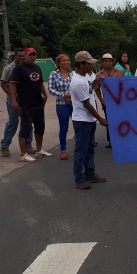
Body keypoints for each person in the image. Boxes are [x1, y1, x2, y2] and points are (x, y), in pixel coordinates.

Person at [70, 51, 109, 189]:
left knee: (90, 147)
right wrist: (101, 119)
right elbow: (86, 104)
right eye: (89, 64)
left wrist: (96, 81)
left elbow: (90, 91)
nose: (91, 67)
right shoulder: (78, 82)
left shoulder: (85, 77)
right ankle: (79, 178)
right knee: (81, 150)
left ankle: (90, 173)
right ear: (81, 64)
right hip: (82, 119)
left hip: (89, 119)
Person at [9, 47, 50, 162]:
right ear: (25, 56)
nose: (32, 57)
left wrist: (45, 95)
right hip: (26, 104)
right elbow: (12, 85)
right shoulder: (19, 68)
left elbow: (40, 83)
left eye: (34, 55)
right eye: (30, 55)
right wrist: (13, 101)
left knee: (40, 127)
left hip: (38, 103)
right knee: (25, 129)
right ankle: (23, 154)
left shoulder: (37, 67)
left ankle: (39, 149)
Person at [0, 48, 33, 157]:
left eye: (24, 56)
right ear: (15, 57)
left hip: (26, 99)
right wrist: (13, 96)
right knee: (13, 123)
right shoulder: (9, 68)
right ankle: (5, 145)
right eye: (20, 56)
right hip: (14, 100)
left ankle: (28, 144)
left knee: (28, 123)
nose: (22, 58)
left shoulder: (28, 67)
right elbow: (3, 84)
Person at [93, 53, 125, 148]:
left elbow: (125, 86)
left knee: (120, 120)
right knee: (109, 121)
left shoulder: (119, 72)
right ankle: (111, 140)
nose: (108, 63)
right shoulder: (99, 74)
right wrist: (102, 101)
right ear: (102, 62)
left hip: (119, 101)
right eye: (105, 61)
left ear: (112, 62)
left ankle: (122, 138)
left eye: (109, 61)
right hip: (107, 102)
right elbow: (97, 89)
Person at [48, 53, 73, 160]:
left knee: (78, 126)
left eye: (68, 60)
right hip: (62, 105)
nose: (66, 62)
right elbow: (51, 89)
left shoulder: (74, 74)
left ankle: (81, 148)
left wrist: (72, 96)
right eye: (64, 60)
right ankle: (63, 150)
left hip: (74, 104)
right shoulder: (54, 74)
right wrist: (64, 96)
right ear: (59, 63)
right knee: (64, 128)